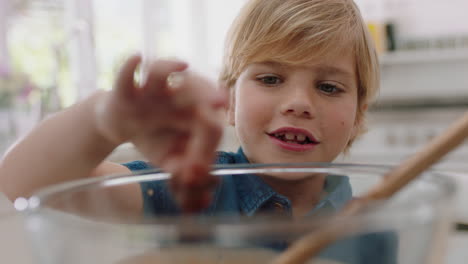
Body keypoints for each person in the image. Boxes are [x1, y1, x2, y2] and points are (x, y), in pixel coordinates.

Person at [0, 0, 396, 263]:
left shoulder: (373, 226)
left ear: (358, 116)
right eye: (271, 78)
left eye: (329, 87)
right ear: (231, 101)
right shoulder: (192, 190)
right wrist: (105, 120)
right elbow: (23, 183)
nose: (299, 102)